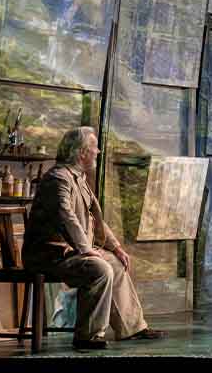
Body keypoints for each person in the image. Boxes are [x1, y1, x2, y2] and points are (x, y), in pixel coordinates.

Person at [22, 127, 167, 350]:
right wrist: (86, 249)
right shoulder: (57, 178)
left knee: (115, 263)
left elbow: (95, 221)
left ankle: (131, 328)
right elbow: (65, 216)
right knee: (99, 268)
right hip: (49, 256)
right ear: (81, 152)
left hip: (69, 252)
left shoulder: (77, 179)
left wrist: (116, 248)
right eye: (94, 148)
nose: (97, 152)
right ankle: (88, 335)